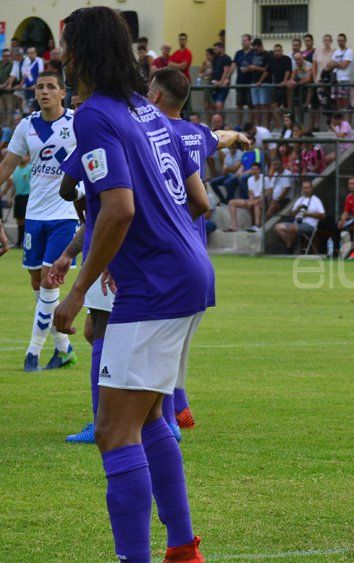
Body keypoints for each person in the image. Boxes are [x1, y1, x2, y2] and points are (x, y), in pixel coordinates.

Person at [52, 7, 212, 561]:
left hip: (153, 286)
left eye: (65, 46)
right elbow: (197, 200)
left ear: (82, 53)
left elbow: (118, 209)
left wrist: (76, 292)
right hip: (188, 274)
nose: (61, 56)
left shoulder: (96, 114)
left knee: (112, 432)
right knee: (147, 419)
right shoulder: (146, 109)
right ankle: (183, 547)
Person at [146, 67, 249, 432]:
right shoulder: (194, 133)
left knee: (156, 340)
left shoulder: (152, 134)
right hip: (196, 251)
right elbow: (218, 137)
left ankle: (167, 415)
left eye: (148, 89)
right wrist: (238, 135)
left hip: (164, 250)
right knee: (181, 337)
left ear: (156, 95)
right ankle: (181, 406)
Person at [0, 71, 78, 371]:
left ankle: (33, 352)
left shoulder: (76, 124)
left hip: (65, 214)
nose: (44, 92)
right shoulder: (27, 126)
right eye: (40, 87)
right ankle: (64, 349)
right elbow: (8, 164)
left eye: (51, 87)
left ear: (62, 93)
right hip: (34, 214)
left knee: (49, 280)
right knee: (37, 281)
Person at [274, 180, 325, 253]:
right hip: (297, 223)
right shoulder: (300, 199)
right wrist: (298, 209)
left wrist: (307, 214)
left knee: (291, 227)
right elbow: (291, 214)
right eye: (304, 188)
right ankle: (292, 244)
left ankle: (288, 249)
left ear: (311, 189)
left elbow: (322, 215)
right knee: (278, 227)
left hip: (310, 225)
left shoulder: (316, 200)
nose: (306, 190)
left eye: (308, 188)